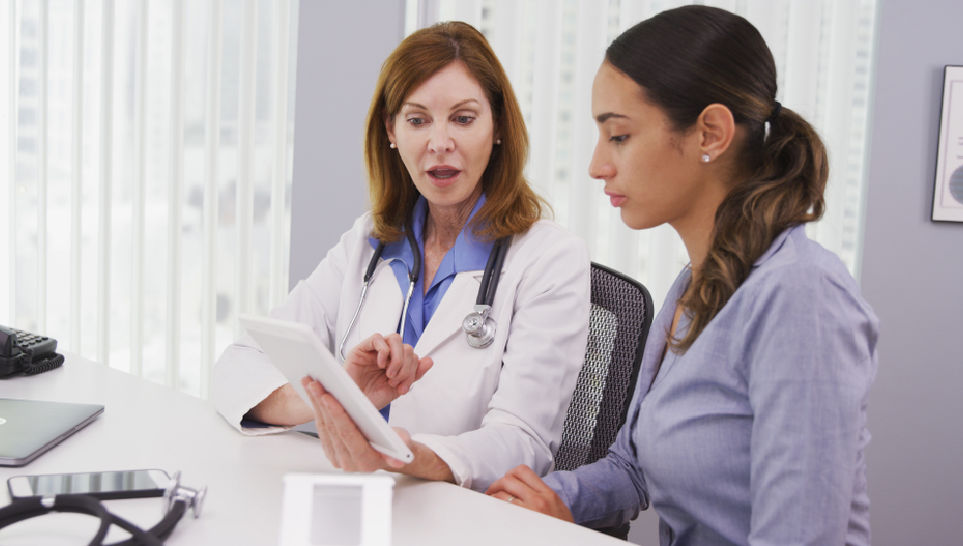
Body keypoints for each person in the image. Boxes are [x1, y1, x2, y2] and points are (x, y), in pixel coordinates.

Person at [486, 6, 879, 545]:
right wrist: (548, 500)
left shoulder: (799, 295)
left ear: (709, 133)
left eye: (619, 136)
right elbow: (632, 467)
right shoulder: (695, 287)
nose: (597, 165)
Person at [211, 21, 590, 493]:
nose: (439, 142)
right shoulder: (370, 240)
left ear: (498, 129)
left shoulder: (549, 259)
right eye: (417, 120)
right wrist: (332, 398)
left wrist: (403, 455)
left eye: (464, 118)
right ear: (391, 131)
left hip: (457, 515)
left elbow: (522, 440)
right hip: (354, 500)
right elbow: (238, 366)